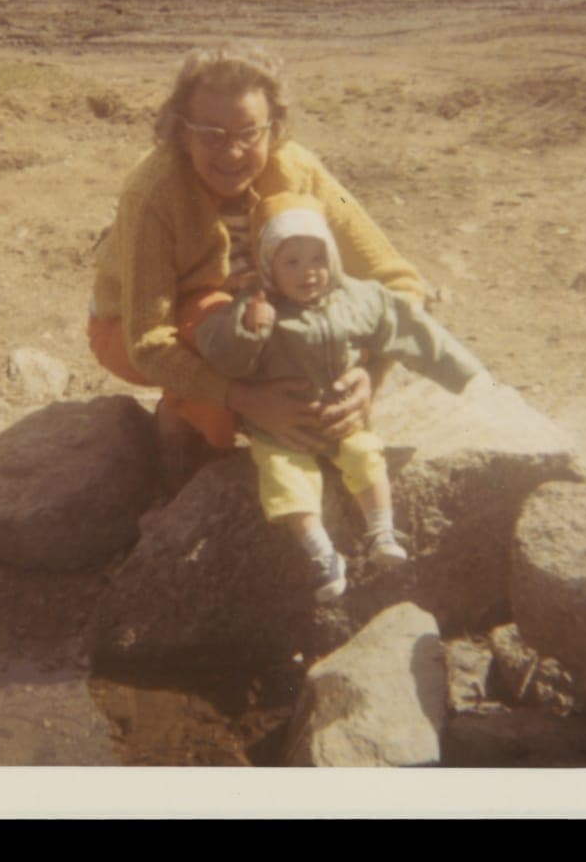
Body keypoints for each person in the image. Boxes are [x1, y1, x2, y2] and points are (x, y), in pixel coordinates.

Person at [87, 43, 430, 491]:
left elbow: (397, 279)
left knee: (327, 312)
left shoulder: (304, 171)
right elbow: (148, 342)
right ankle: (185, 435)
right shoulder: (152, 194)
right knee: (220, 318)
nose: (231, 153)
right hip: (129, 329)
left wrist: (370, 374)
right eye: (211, 133)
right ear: (181, 132)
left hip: (253, 315)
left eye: (248, 133)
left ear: (274, 129)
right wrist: (247, 400)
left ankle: (288, 433)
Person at [194, 192, 489, 602]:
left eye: (317, 258)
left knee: (366, 455)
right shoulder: (257, 308)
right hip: (283, 432)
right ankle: (321, 553)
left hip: (343, 418)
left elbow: (405, 325)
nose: (308, 272)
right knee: (285, 481)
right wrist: (249, 328)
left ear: (332, 258)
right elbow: (222, 356)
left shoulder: (355, 298)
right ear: (268, 268)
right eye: (291, 262)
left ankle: (382, 531)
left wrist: (462, 371)